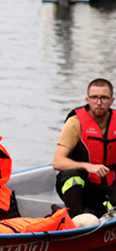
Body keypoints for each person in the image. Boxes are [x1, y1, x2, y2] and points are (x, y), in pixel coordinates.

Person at [52, 78, 116, 216]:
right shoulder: (75, 122)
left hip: (109, 186)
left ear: (112, 101)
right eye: (94, 97)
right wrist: (87, 166)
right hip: (84, 186)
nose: (99, 102)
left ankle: (102, 214)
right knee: (70, 175)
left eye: (104, 98)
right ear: (87, 99)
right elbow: (57, 162)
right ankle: (77, 220)